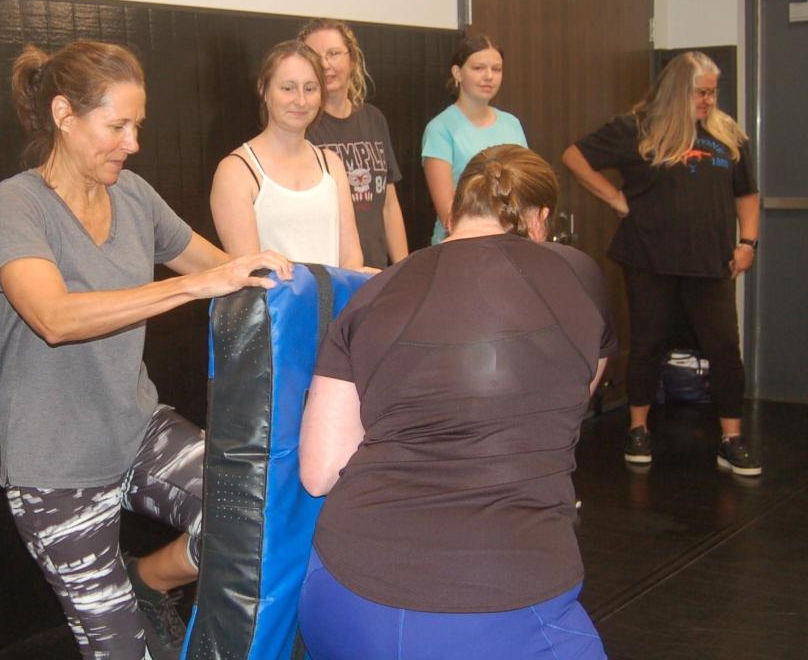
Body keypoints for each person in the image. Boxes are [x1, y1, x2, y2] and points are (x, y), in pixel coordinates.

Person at [0, 40, 292, 660]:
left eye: (137, 126)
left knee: (261, 510)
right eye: (117, 125)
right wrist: (194, 285)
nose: (132, 142)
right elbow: (53, 317)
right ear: (66, 117)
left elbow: (230, 270)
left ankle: (148, 579)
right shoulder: (15, 204)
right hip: (57, 470)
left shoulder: (134, 195)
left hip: (137, 429)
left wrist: (306, 281)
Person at [298, 145, 615, 660]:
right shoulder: (578, 274)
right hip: (498, 608)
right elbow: (569, 402)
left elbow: (318, 473)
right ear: (539, 220)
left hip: (341, 599)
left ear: (451, 215)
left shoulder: (374, 291)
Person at [562, 50, 761, 476]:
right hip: (648, 257)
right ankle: (638, 430)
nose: (709, 100)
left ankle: (732, 439)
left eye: (713, 93)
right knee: (647, 344)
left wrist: (748, 242)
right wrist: (615, 198)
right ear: (677, 91)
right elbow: (574, 157)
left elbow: (746, 195)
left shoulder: (727, 136)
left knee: (725, 347)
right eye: (701, 93)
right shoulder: (636, 129)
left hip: (711, 262)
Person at [210, 40, 364, 269]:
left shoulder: (332, 165)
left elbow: (351, 260)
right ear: (263, 89)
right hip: (275, 304)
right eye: (288, 88)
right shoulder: (236, 171)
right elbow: (250, 275)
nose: (301, 100)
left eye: (310, 88)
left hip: (336, 304)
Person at [299, 18, 408, 269]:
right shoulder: (302, 128)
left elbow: (389, 204)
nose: (325, 64)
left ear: (353, 59)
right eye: (315, 56)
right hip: (329, 274)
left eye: (334, 53)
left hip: (375, 270)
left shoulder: (374, 119)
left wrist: (403, 269)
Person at [422, 34, 527, 245]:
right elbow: (448, 214)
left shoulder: (512, 124)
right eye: (478, 68)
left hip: (512, 244)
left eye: (496, 69)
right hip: (460, 246)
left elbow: (526, 189)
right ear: (457, 73)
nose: (489, 76)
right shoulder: (440, 128)